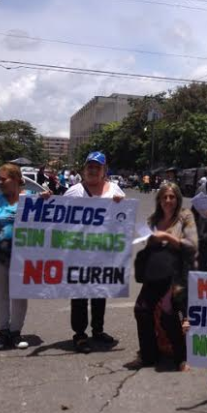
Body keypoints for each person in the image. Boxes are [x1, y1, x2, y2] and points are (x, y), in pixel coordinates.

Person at [130, 182, 197, 371]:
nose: (168, 201)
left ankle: (181, 358)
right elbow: (148, 245)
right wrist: (151, 240)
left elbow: (191, 245)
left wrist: (167, 238)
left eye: (171, 197)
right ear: (159, 200)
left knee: (168, 312)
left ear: (177, 199)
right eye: (164, 197)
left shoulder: (185, 217)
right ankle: (148, 355)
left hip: (175, 274)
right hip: (154, 273)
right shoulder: (153, 219)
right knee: (141, 310)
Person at [64, 151, 125, 353]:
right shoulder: (73, 192)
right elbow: (58, 220)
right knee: (80, 295)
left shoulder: (114, 189)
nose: (93, 170)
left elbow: (123, 219)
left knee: (100, 293)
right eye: (90, 166)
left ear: (104, 170)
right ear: (84, 169)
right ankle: (80, 334)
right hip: (79, 253)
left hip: (104, 253)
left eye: (97, 167)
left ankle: (97, 330)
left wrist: (120, 204)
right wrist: (45, 200)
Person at [0, 164, 32, 350]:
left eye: (4, 178)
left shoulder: (30, 199)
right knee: (1, 297)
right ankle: (2, 333)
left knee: (19, 295)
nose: (0, 182)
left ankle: (16, 333)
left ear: (17, 180)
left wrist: (47, 199)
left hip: (22, 257)